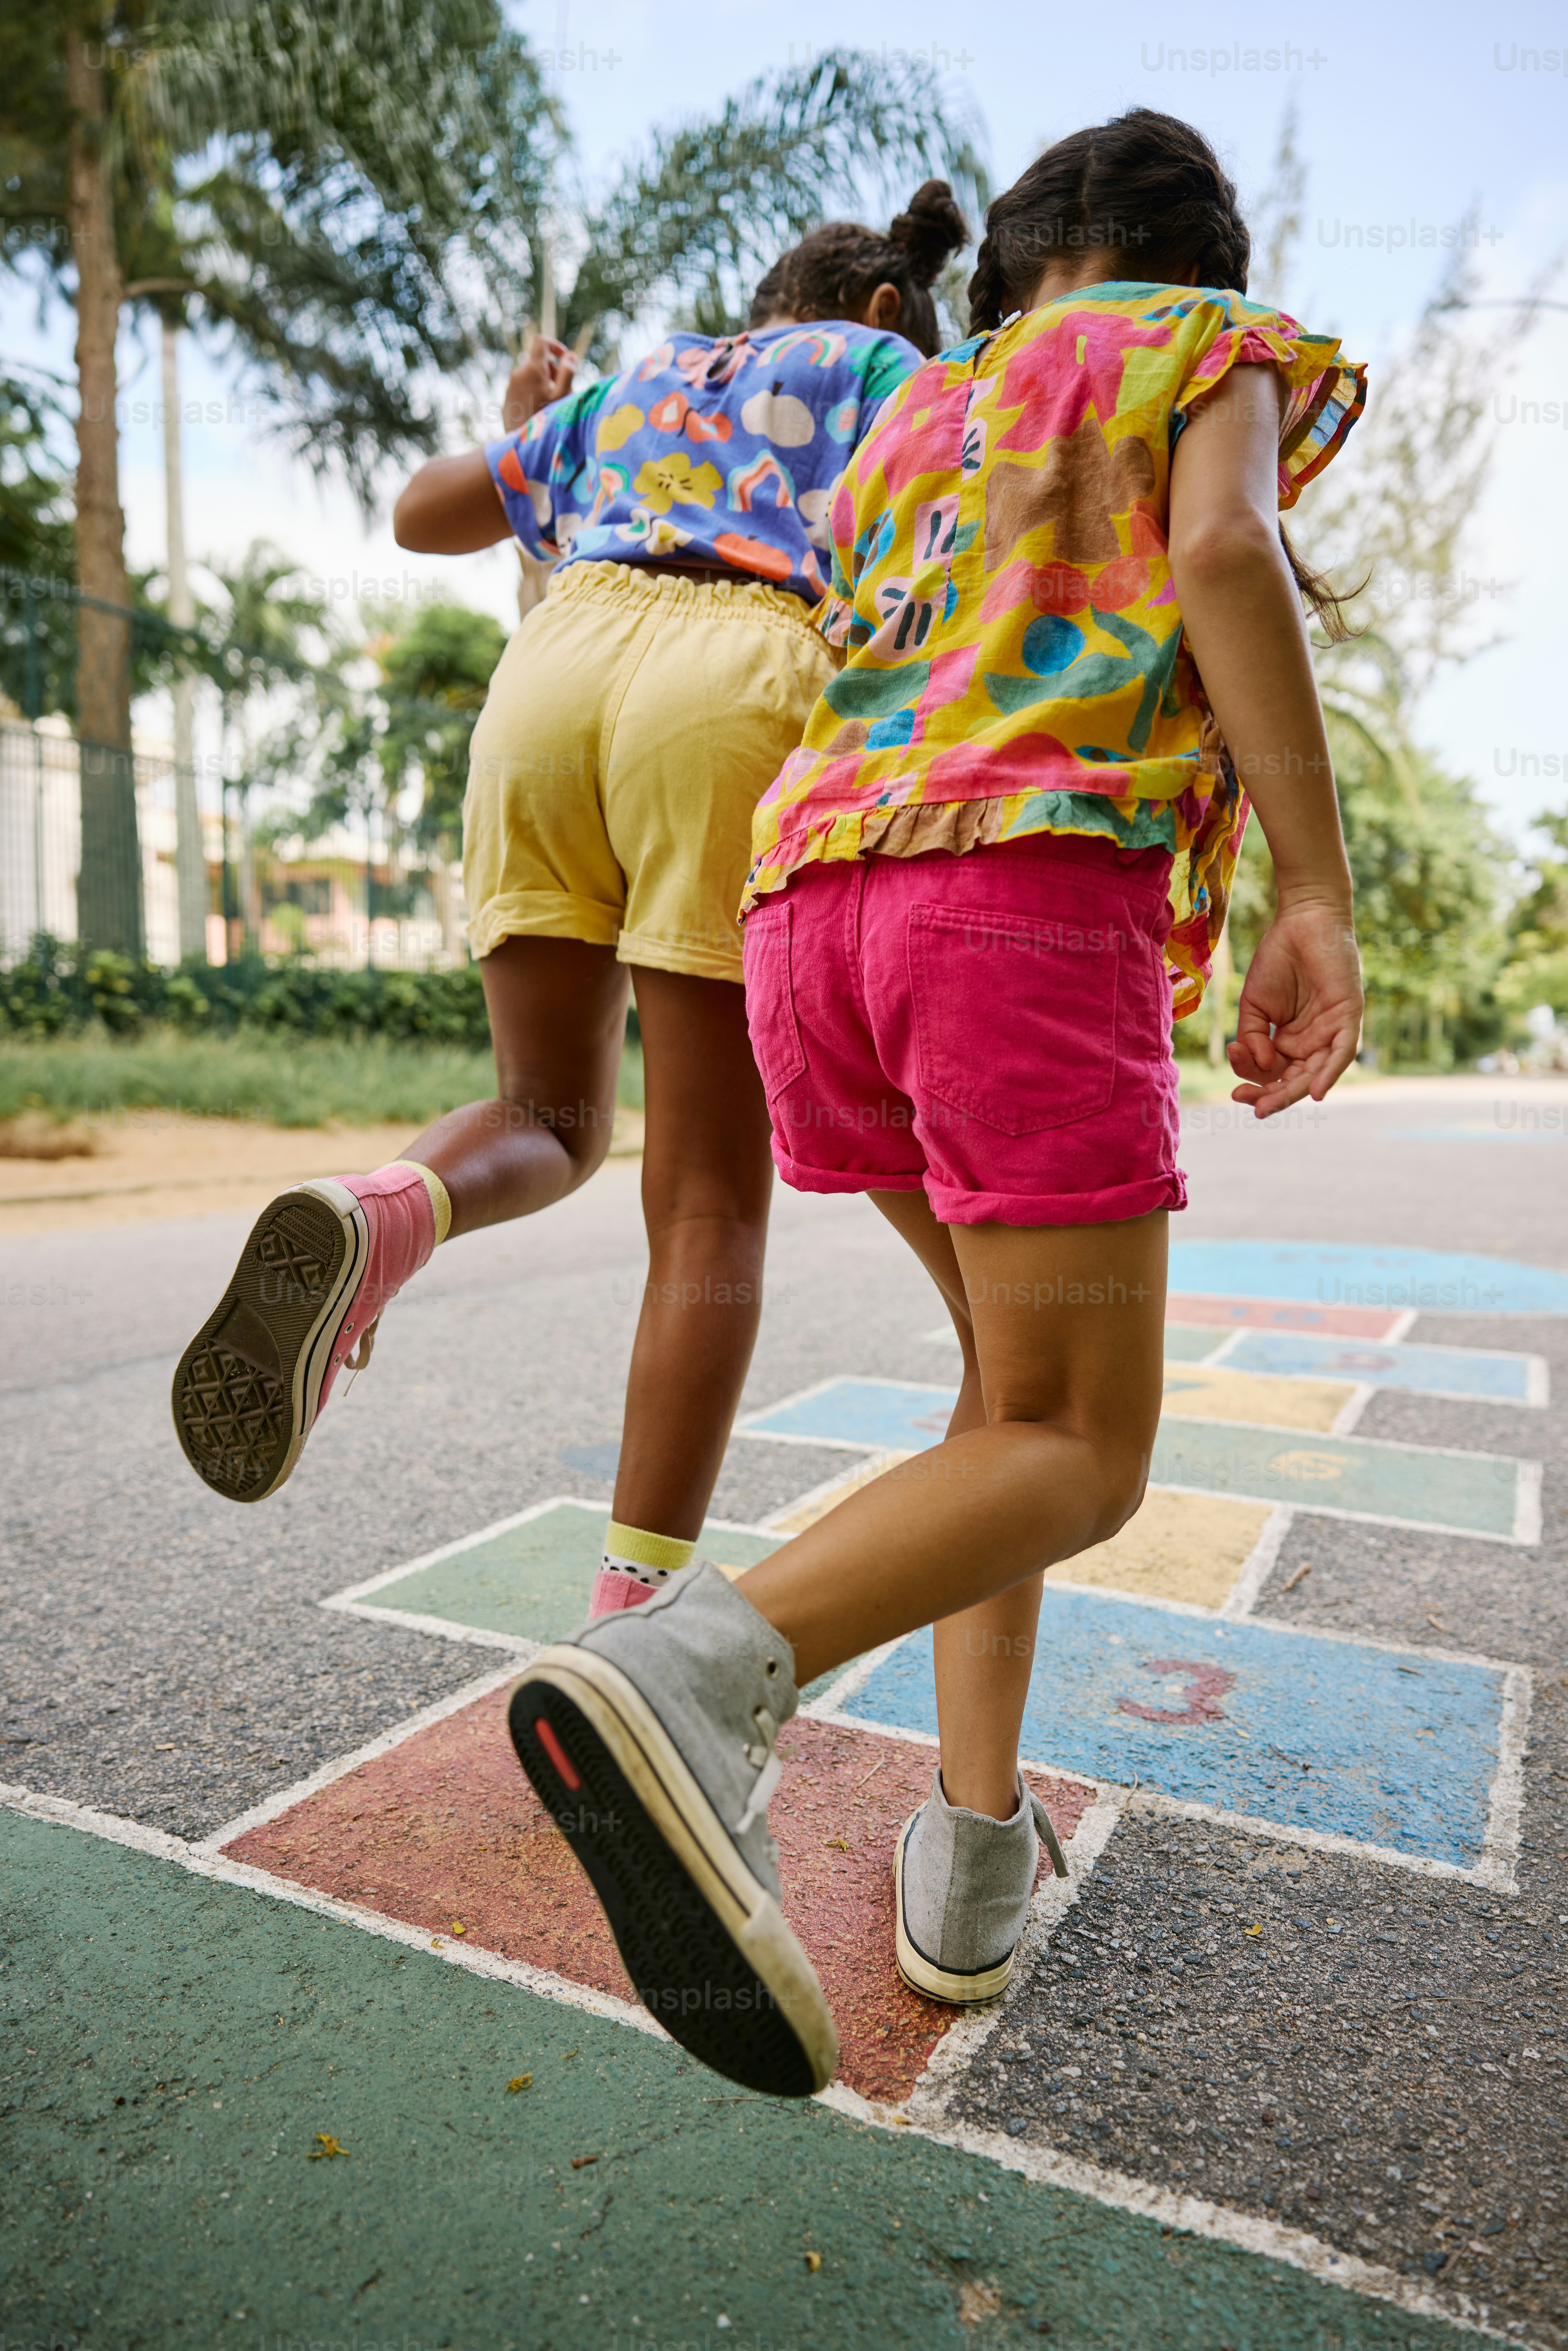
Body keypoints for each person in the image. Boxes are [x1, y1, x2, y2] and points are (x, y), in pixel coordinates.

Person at [509, 108, 1369, 2098]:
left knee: (1007, 1398)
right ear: (1187, 256)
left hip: (811, 917)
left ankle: (968, 1848)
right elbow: (1225, 547)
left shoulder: (920, 403)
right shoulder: (1193, 341)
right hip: (1012, 907)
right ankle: (694, 1672)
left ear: (1005, 270)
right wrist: (1311, 891)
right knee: (1082, 1440)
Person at [169, 186, 971, 1632]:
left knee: (548, 1115)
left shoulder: (638, 383)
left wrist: (532, 417)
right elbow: (951, 572)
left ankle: (383, 1208)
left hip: (553, 671)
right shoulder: (884, 372)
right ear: (884, 308)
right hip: (738, 685)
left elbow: (424, 516)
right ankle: (631, 1615)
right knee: (711, 1202)